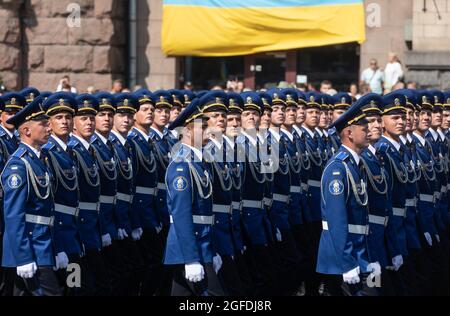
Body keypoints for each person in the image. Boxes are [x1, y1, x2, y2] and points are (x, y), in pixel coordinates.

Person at [317, 94, 380, 296]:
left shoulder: (354, 164)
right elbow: (337, 221)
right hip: (346, 256)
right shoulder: (338, 168)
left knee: (376, 290)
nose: (369, 130)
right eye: (364, 127)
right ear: (349, 133)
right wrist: (347, 263)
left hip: (363, 251)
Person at [2, 95, 62, 296]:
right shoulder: (19, 165)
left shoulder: (40, 159)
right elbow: (14, 215)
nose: (49, 128)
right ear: (26, 130)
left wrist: (58, 246)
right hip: (31, 247)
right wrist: (23, 256)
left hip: (44, 244)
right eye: (44, 124)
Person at [164, 97, 225, 296]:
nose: (209, 131)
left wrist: (212, 250)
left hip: (203, 244)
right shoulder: (182, 165)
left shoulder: (199, 162)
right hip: (190, 247)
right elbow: (181, 214)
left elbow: (206, 212)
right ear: (188, 130)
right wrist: (190, 258)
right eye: (203, 127)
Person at [41, 92, 86, 295]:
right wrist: (58, 246)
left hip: (74, 235)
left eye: (68, 117)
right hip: (60, 237)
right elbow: (50, 205)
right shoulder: (48, 154)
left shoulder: (70, 152)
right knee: (62, 289)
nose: (65, 121)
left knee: (74, 287)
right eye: (58, 117)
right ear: (49, 122)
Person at [68, 94, 110, 295]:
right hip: (75, 232)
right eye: (83, 118)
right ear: (73, 124)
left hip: (92, 227)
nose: (90, 123)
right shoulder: (72, 151)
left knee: (95, 284)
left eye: (91, 118)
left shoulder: (89, 150)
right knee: (75, 285)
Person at [110, 93, 146, 295]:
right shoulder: (110, 146)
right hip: (109, 221)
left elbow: (130, 189)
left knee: (134, 269)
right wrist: (115, 224)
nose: (126, 119)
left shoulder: (128, 145)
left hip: (127, 217)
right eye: (121, 114)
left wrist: (134, 221)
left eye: (129, 115)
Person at [128, 89, 162, 296]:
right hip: (140, 213)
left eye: (152, 109)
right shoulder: (133, 142)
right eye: (144, 109)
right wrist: (135, 220)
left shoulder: (149, 141)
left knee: (155, 264)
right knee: (146, 264)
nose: (150, 112)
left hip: (153, 210)